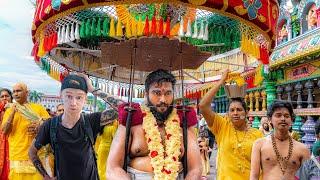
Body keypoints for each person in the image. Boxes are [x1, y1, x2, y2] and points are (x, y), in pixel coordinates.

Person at [107, 69, 202, 179]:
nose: (163, 99)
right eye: (157, 93)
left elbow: (195, 168)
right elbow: (113, 168)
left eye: (168, 93)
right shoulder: (131, 118)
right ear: (146, 94)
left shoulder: (183, 120)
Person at [29, 74, 123, 180]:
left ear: (85, 99)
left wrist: (92, 89)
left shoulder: (91, 121)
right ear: (61, 95)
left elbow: (124, 108)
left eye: (79, 97)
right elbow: (32, 152)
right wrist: (46, 176)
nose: (73, 103)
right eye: (69, 96)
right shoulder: (50, 125)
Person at [199, 69, 263, 180]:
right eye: (232, 110)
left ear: (246, 112)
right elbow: (203, 106)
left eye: (239, 110)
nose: (235, 113)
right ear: (228, 114)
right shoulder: (222, 126)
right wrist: (221, 82)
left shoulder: (257, 134)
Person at [1, 83, 51, 180]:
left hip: (36, 157)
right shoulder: (9, 110)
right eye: (14, 92)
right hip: (17, 158)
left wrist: (39, 126)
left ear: (27, 93)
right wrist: (12, 112)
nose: (16, 94)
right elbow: (5, 131)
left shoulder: (38, 108)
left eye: (19, 91)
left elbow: (49, 125)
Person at [250, 101, 310, 180]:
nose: (283, 119)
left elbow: (307, 177)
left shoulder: (303, 149)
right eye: (278, 115)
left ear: (291, 120)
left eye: (286, 116)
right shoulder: (259, 145)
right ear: (270, 119)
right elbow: (254, 176)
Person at [0, 88, 13, 180]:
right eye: (2, 96)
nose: (4, 98)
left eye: (7, 96)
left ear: (11, 98)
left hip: (12, 142)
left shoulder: (16, 109)